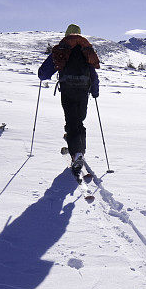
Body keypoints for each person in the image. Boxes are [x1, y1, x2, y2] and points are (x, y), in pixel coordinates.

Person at [38, 24, 100, 177]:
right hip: (83, 91)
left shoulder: (62, 49)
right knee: (79, 121)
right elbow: (93, 74)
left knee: (72, 122)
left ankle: (77, 153)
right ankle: (80, 150)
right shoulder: (86, 50)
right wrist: (95, 91)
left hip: (68, 90)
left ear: (66, 34)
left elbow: (44, 73)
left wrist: (43, 75)